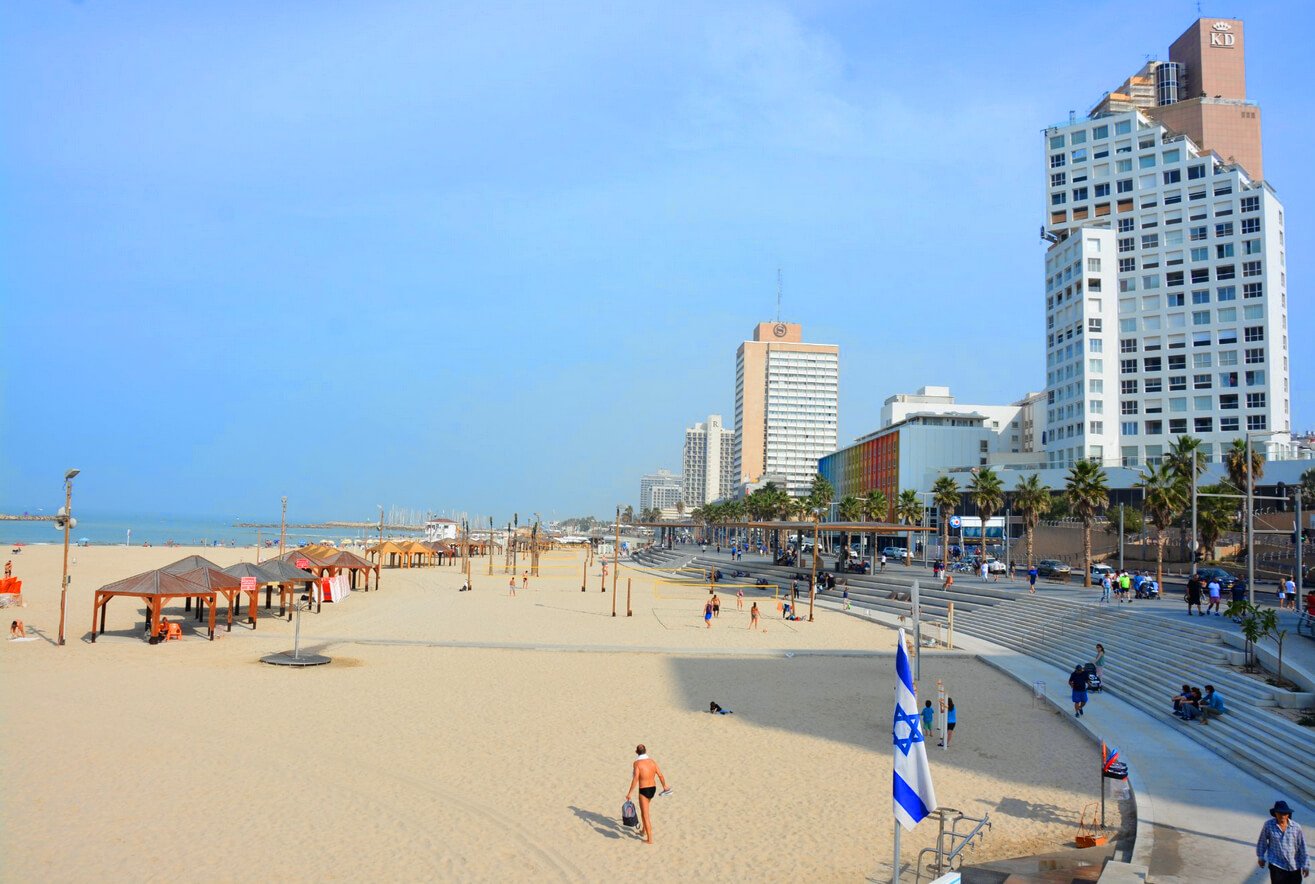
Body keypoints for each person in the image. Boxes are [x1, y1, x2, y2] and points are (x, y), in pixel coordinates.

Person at [625, 744, 669, 845]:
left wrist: (630, 793)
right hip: (652, 788)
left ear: (636, 752)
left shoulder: (637, 763)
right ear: (646, 750)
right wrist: (665, 786)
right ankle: (643, 831)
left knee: (645, 815)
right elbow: (660, 775)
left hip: (643, 789)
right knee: (644, 811)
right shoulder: (652, 761)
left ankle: (650, 839)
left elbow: (636, 778)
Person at [1256, 799, 1309, 883]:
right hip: (1277, 865)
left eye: (1285, 813)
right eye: (1280, 813)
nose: (1282, 816)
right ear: (1275, 813)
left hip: (1294, 866)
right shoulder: (1269, 825)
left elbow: (1302, 846)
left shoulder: (1296, 827)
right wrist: (1261, 856)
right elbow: (1262, 841)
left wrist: (1305, 865)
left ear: (1288, 814)